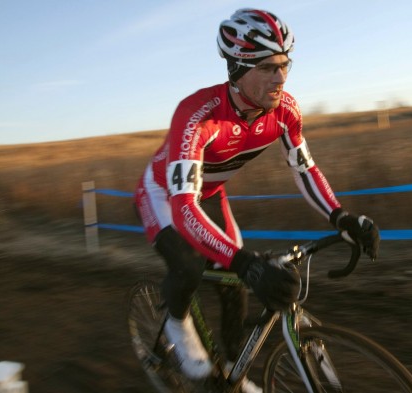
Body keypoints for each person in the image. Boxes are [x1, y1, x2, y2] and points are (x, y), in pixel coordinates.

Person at [134, 8, 380, 392]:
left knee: (233, 283)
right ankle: (176, 323)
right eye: (267, 67)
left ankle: (235, 372)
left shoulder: (285, 111)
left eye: (285, 64)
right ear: (235, 68)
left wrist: (340, 217)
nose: (280, 76)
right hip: (164, 195)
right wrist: (246, 263)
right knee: (189, 263)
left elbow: (304, 169)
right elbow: (184, 207)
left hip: (210, 194)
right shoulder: (198, 115)